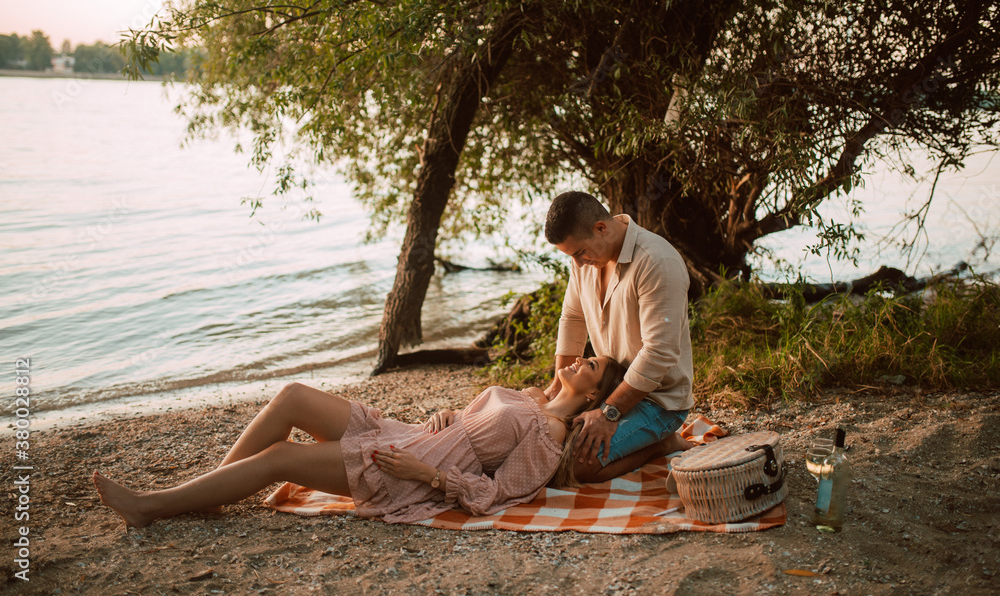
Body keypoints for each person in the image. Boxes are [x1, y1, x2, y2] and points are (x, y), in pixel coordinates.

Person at [92, 356, 625, 528]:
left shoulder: (551, 434)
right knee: (293, 396)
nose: (578, 360)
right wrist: (448, 413)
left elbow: (501, 494)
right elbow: (471, 422)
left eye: (591, 365)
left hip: (409, 467)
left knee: (281, 458)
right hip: (411, 433)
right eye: (583, 355)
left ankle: (151, 507)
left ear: (595, 392)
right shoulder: (530, 393)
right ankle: (209, 495)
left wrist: (427, 477)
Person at [543, 191, 695, 483]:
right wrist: (556, 386)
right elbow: (573, 319)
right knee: (546, 447)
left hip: (658, 400)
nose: (576, 265)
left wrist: (607, 414)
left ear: (601, 228)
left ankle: (663, 444)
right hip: (604, 389)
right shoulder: (587, 262)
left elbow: (659, 352)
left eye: (578, 254)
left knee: (573, 464)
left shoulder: (656, 261)